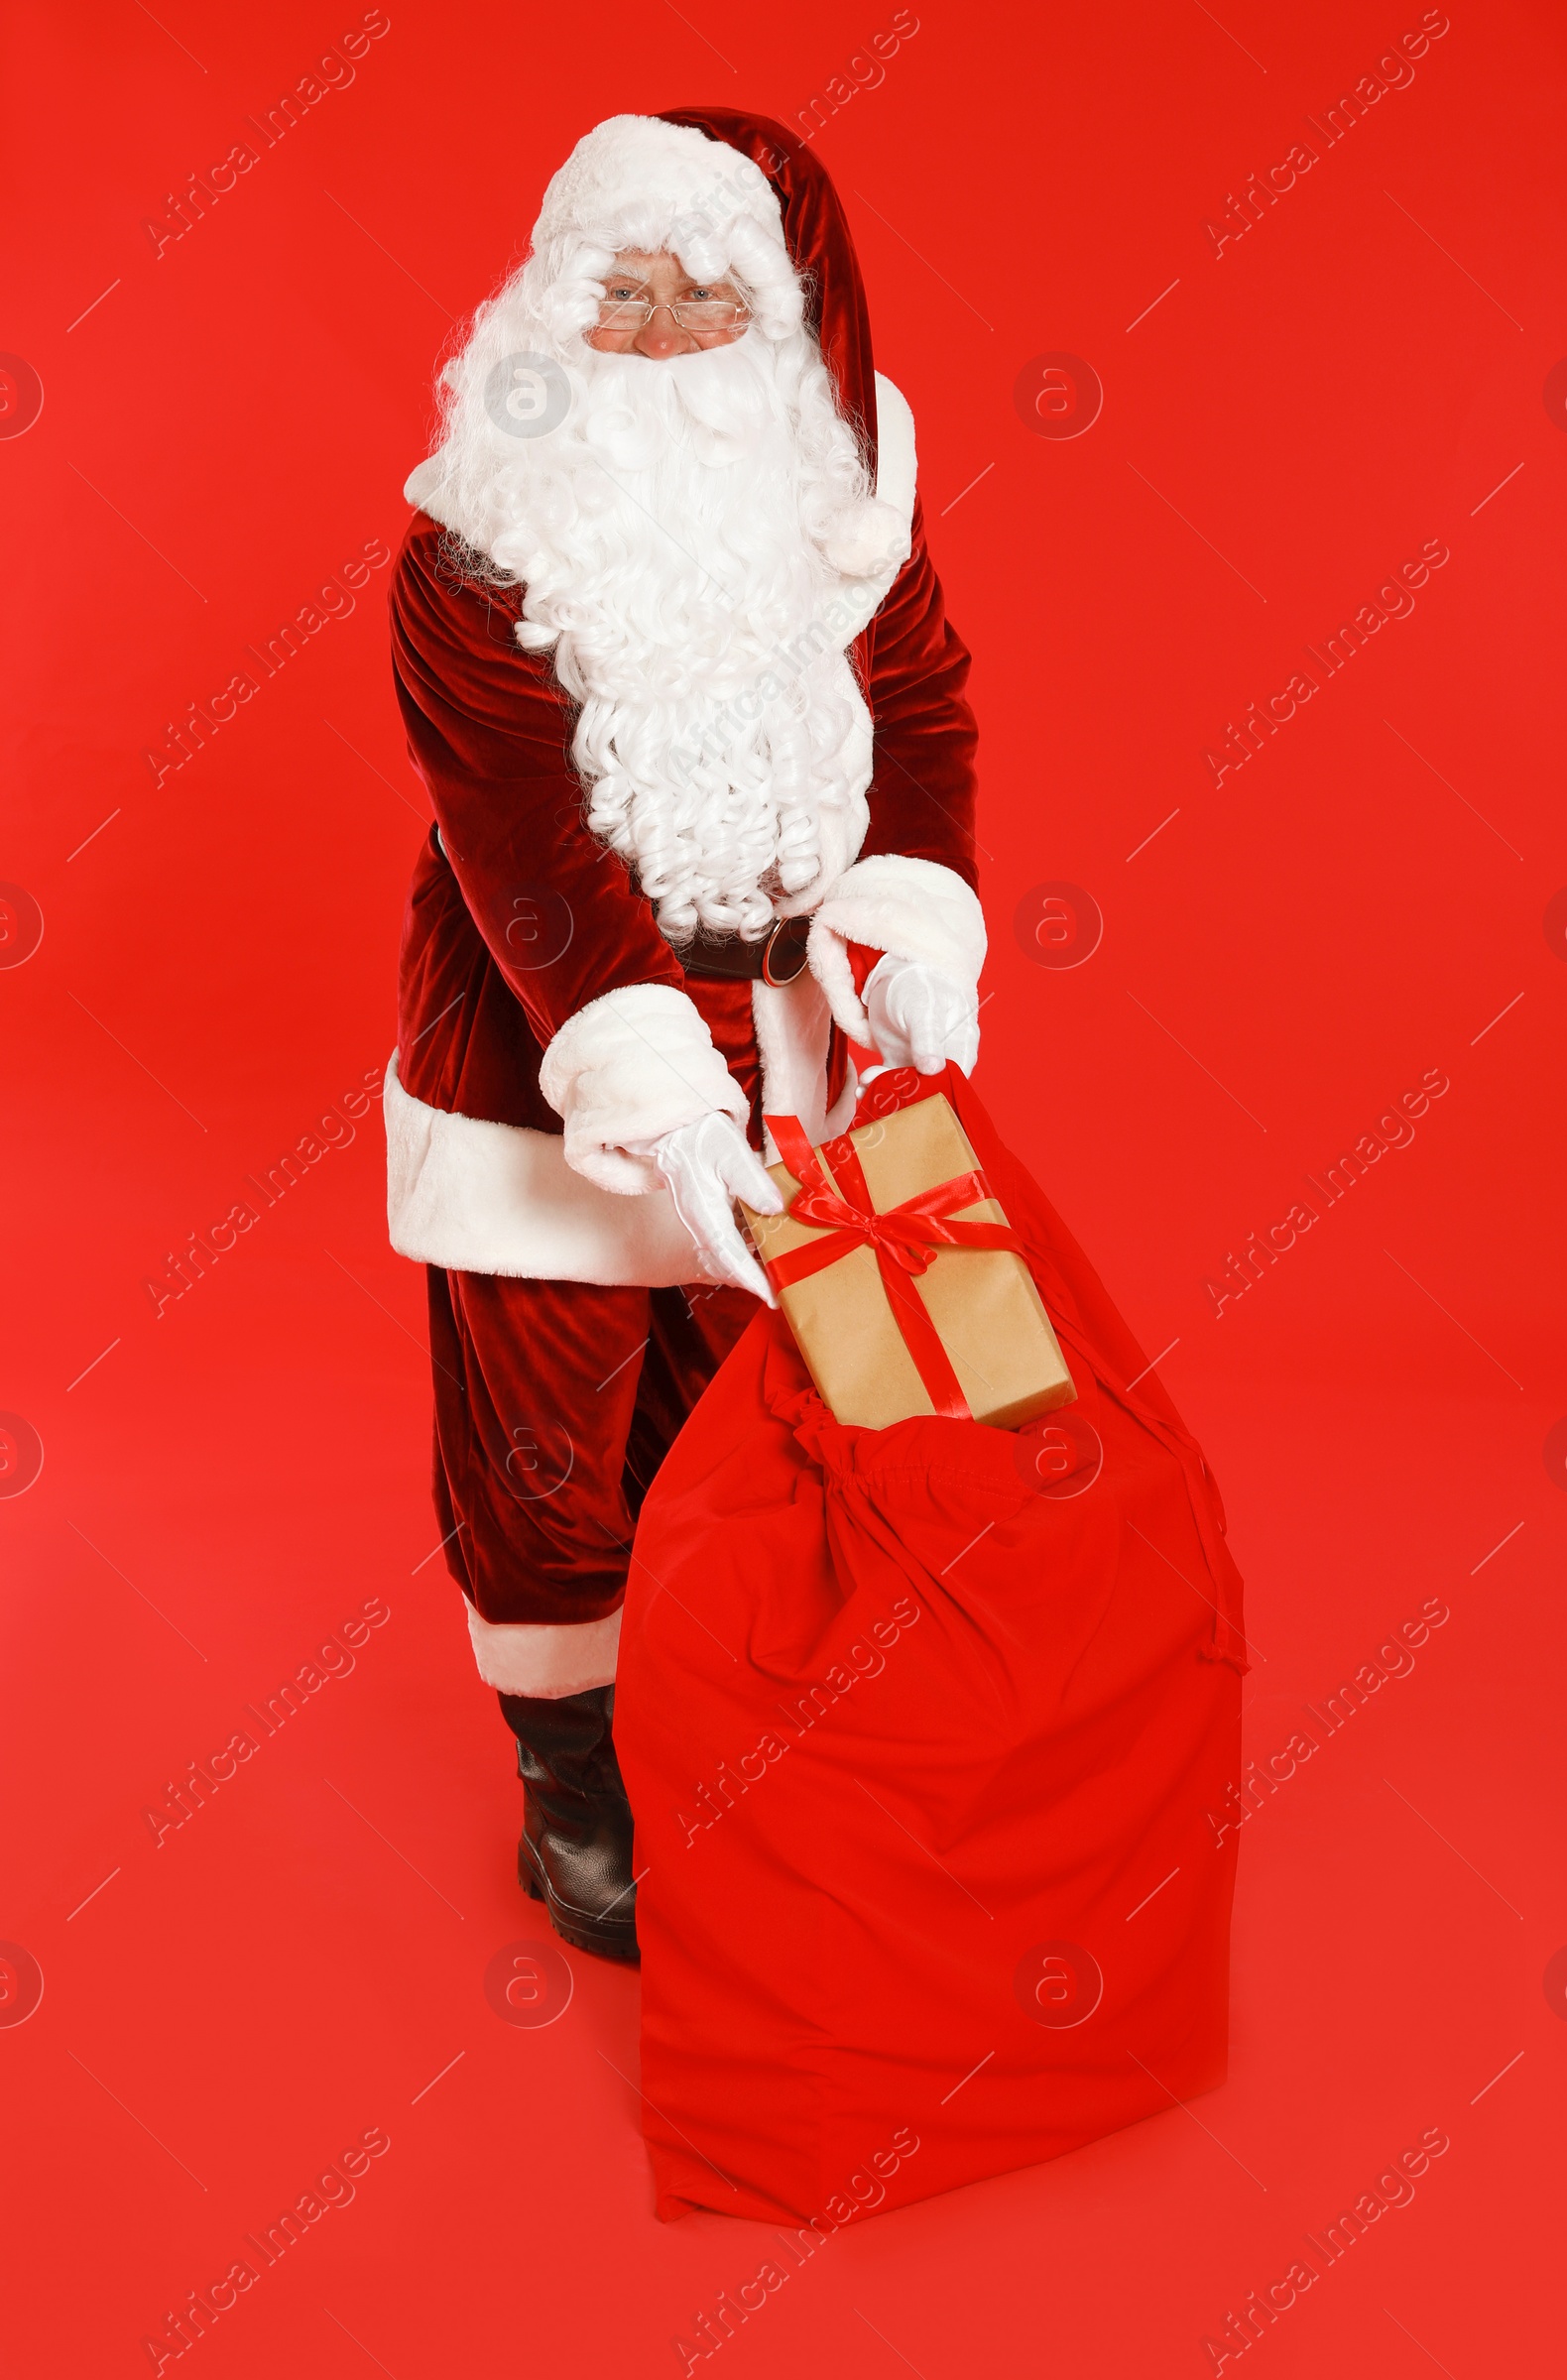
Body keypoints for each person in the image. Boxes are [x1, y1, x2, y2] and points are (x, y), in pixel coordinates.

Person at [384, 108, 982, 1962]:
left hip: (824, 1033)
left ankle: (854, 1721)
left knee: (886, 1389)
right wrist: (665, 1087)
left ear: (783, 318)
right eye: (613, 290)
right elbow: (527, 855)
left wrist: (912, 922)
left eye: (700, 296)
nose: (649, 335)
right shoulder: (467, 554)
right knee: (556, 1429)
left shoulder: (853, 503)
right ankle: (580, 1790)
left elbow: (929, 715)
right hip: (560, 1049)